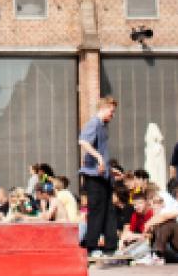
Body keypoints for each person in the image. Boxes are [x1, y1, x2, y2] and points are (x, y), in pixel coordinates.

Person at [78, 96, 118, 255]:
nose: (112, 115)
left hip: (103, 174)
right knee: (97, 210)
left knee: (109, 210)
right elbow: (83, 141)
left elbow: (101, 149)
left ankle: (111, 247)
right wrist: (99, 158)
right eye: (111, 111)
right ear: (103, 108)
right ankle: (92, 246)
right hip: (94, 176)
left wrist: (109, 168)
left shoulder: (103, 126)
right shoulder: (93, 123)